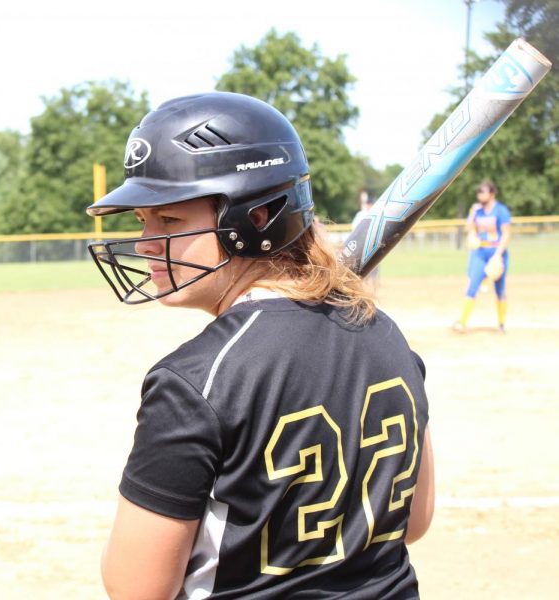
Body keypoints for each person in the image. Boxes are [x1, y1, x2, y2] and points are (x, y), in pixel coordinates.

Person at [86, 92, 434, 599]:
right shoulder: (386, 334)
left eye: (170, 222)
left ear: (255, 217)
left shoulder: (195, 381)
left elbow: (136, 589)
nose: (143, 243)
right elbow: (415, 519)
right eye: (143, 221)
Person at [453, 180, 511, 333]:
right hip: (480, 252)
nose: (479, 194)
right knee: (472, 287)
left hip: (497, 252)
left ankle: (501, 324)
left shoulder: (501, 210)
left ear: (491, 194)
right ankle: (462, 323)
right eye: (478, 191)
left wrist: (498, 255)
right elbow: (468, 228)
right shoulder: (477, 211)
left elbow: (506, 234)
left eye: (482, 191)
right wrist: (472, 213)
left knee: (499, 289)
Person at [351, 189, 380, 286]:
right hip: (362, 247)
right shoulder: (361, 214)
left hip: (371, 245)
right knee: (364, 271)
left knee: (373, 270)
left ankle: (372, 286)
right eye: (370, 204)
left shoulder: (372, 213)